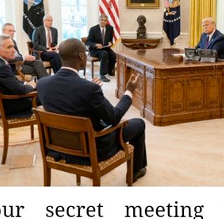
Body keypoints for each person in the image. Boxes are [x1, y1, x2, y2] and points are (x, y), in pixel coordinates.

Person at [37, 38, 147, 183]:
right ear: (81, 56)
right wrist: (128, 92)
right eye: (85, 52)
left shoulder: (43, 83)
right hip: (92, 150)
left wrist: (88, 87)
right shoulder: (89, 89)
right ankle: (136, 170)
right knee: (138, 124)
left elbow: (66, 97)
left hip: (59, 148)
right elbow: (114, 118)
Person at [0, 34, 37, 116]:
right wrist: (32, 85)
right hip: (10, 105)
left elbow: (12, 82)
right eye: (9, 47)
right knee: (47, 96)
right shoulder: (1, 67)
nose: (14, 50)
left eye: (13, 47)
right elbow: (21, 90)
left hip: (0, 104)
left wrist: (26, 83)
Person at [86, 15, 117, 82]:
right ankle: (102, 75)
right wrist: (96, 44)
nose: (103, 22)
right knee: (104, 54)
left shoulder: (110, 28)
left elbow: (110, 40)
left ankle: (109, 70)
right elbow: (88, 42)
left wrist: (110, 43)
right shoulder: (93, 29)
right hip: (95, 50)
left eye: (105, 20)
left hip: (105, 48)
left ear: (107, 21)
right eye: (102, 20)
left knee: (114, 55)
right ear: (99, 20)